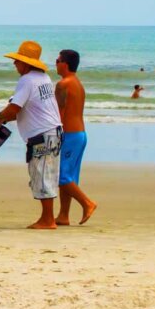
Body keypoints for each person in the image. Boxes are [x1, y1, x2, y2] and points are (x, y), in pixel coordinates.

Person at [0, 41, 62, 230]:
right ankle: (48, 218)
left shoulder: (27, 80)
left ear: (26, 64)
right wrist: (5, 117)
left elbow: (14, 109)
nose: (15, 64)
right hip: (53, 131)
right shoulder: (44, 78)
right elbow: (28, 109)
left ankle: (48, 220)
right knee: (47, 174)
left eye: (17, 61)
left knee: (41, 174)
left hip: (42, 134)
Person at [54, 49, 97, 226]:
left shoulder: (63, 84)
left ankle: (88, 203)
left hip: (70, 135)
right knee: (70, 177)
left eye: (57, 60)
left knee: (61, 176)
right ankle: (64, 215)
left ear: (65, 64)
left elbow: (59, 113)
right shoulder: (77, 83)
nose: (55, 63)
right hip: (80, 134)